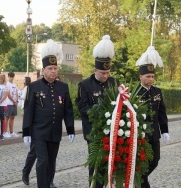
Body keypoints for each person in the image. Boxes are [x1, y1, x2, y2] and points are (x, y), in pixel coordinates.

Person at [22, 39, 75, 188]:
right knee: (43, 161)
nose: (53, 71)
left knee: (51, 162)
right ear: (43, 70)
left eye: (55, 68)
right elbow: (28, 110)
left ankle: (49, 182)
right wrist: (26, 132)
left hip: (55, 131)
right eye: (50, 68)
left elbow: (68, 110)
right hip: (39, 131)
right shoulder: (33, 87)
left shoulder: (63, 87)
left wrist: (70, 129)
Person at [75, 35, 117, 188]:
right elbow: (82, 107)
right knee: (96, 165)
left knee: (111, 164)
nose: (106, 76)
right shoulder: (84, 85)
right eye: (102, 73)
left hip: (113, 132)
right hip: (93, 132)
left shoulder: (114, 83)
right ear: (95, 70)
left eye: (108, 73)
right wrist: (100, 111)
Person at [135, 46, 170, 188]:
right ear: (141, 77)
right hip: (140, 136)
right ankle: (141, 183)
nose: (150, 79)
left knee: (155, 161)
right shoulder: (134, 92)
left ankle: (137, 180)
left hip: (154, 134)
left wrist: (165, 130)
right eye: (147, 76)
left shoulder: (157, 91)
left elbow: (162, 113)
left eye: (152, 76)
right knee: (142, 163)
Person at [3, 72, 18, 138]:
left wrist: (16, 100)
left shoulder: (14, 84)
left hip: (14, 103)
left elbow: (16, 92)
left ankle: (11, 132)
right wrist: (14, 101)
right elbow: (8, 94)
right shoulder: (7, 84)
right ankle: (5, 131)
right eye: (10, 77)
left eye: (12, 77)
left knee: (12, 117)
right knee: (7, 117)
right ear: (8, 77)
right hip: (9, 103)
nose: (11, 78)